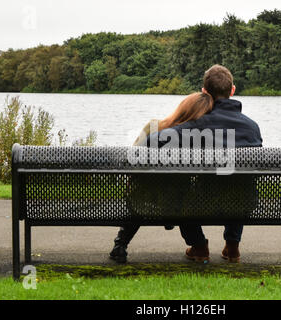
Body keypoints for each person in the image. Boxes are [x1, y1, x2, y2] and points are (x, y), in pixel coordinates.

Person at [148, 65, 263, 263]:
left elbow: (152, 141)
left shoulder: (199, 125)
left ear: (204, 92)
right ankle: (232, 246)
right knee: (240, 185)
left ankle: (199, 246)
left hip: (203, 202)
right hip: (244, 203)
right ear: (232, 90)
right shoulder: (252, 127)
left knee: (181, 189)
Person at [109, 92, 214, 263]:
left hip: (142, 200)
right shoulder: (200, 139)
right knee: (183, 196)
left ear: (182, 108)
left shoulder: (153, 126)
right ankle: (200, 245)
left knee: (143, 192)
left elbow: (132, 163)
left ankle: (120, 245)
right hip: (178, 205)